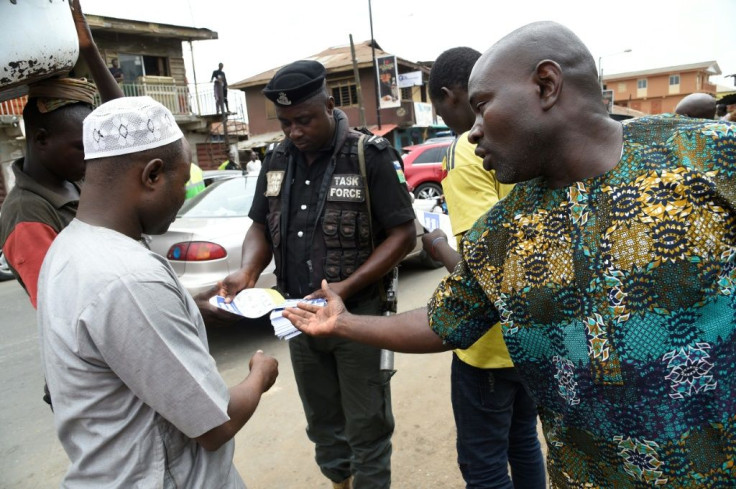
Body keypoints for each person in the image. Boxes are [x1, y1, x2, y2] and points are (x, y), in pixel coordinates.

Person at [284, 21, 736, 488]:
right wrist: (342, 322)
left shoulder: (703, 156)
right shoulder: (501, 234)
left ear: (546, 85)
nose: (473, 133)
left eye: (482, 108)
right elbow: (443, 322)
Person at [37, 96, 279, 488]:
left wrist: (192, 309)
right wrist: (259, 374)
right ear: (152, 176)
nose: (183, 198)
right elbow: (215, 422)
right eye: (183, 182)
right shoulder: (130, 278)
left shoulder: (70, 246)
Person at [218, 59, 416, 489]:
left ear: (329, 105)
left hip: (359, 319)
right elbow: (259, 224)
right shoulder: (275, 160)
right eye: (287, 122)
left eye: (304, 119)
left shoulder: (369, 156)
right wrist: (248, 270)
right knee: (324, 426)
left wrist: (344, 288)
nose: (294, 131)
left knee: (368, 427)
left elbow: (403, 236)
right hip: (299, 319)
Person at [424, 46, 545, 489]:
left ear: (448, 96)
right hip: (533, 335)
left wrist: (437, 244)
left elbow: (484, 266)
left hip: (487, 344)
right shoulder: (528, 138)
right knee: (524, 442)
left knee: (483, 462)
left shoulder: (466, 150)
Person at [0, 0, 123, 310]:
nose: (93, 157)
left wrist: (89, 51)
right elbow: (65, 309)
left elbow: (123, 124)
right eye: (82, 147)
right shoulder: (27, 215)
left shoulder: (75, 183)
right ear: (41, 140)